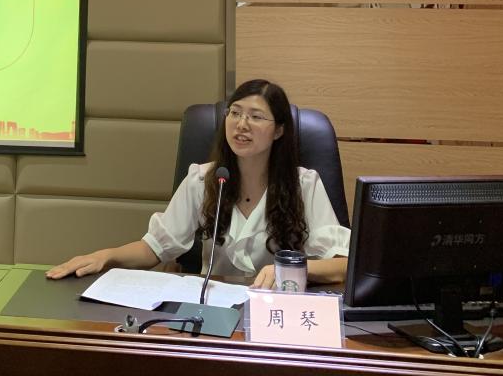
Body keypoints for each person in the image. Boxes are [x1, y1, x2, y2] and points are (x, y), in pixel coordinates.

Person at [47, 79, 350, 288]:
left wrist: (287, 270)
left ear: (279, 131)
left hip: (278, 310)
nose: (241, 125)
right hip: (213, 306)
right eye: (235, 113)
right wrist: (106, 256)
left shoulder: (304, 185)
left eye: (256, 117)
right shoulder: (204, 179)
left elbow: (344, 265)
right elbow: (155, 248)